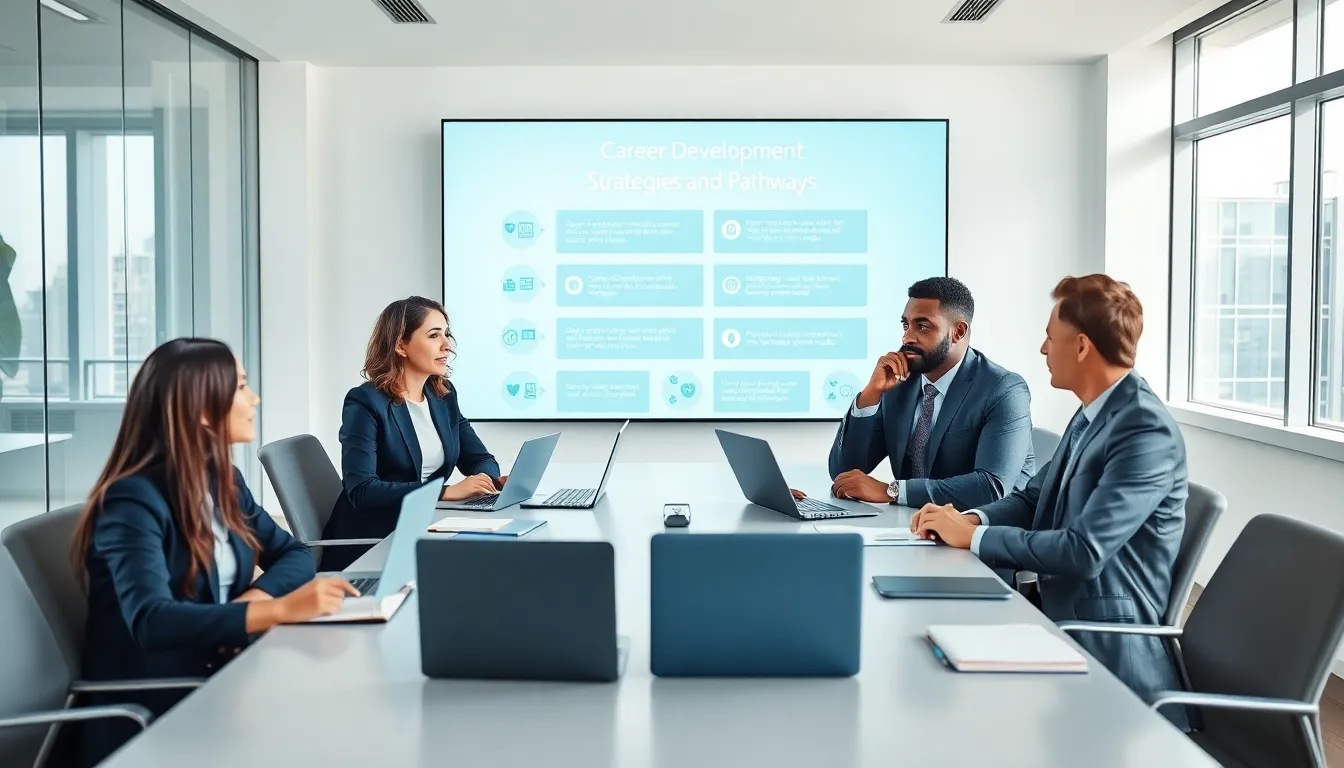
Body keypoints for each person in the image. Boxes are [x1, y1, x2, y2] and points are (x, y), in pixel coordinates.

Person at [910, 274, 1188, 727]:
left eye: (1049, 337)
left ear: (1080, 347)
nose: (1042, 349)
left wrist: (976, 538)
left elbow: (1083, 550)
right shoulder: (1094, 411)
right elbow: (1035, 497)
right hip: (1056, 621)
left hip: (1107, 658)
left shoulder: (1144, 431)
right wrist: (967, 517)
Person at [71, 338, 358, 765]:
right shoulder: (131, 500)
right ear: (204, 409)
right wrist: (276, 611)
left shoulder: (221, 479)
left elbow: (293, 554)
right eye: (241, 386)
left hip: (224, 678)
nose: (254, 398)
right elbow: (152, 620)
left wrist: (254, 602)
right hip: (158, 708)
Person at [820, 276, 1035, 511]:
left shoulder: (1003, 389)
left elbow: (991, 487)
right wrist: (871, 393)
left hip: (986, 532)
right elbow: (844, 474)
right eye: (906, 325)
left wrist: (891, 491)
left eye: (922, 326)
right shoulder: (900, 382)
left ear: (958, 332)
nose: (907, 338)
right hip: (915, 526)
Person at [321, 296, 502, 571]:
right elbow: (362, 490)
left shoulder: (443, 396)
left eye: (447, 334)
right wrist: (443, 492)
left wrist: (489, 480)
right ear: (401, 345)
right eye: (433, 335)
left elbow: (479, 458)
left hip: (426, 526)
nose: (447, 345)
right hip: (376, 540)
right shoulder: (365, 402)